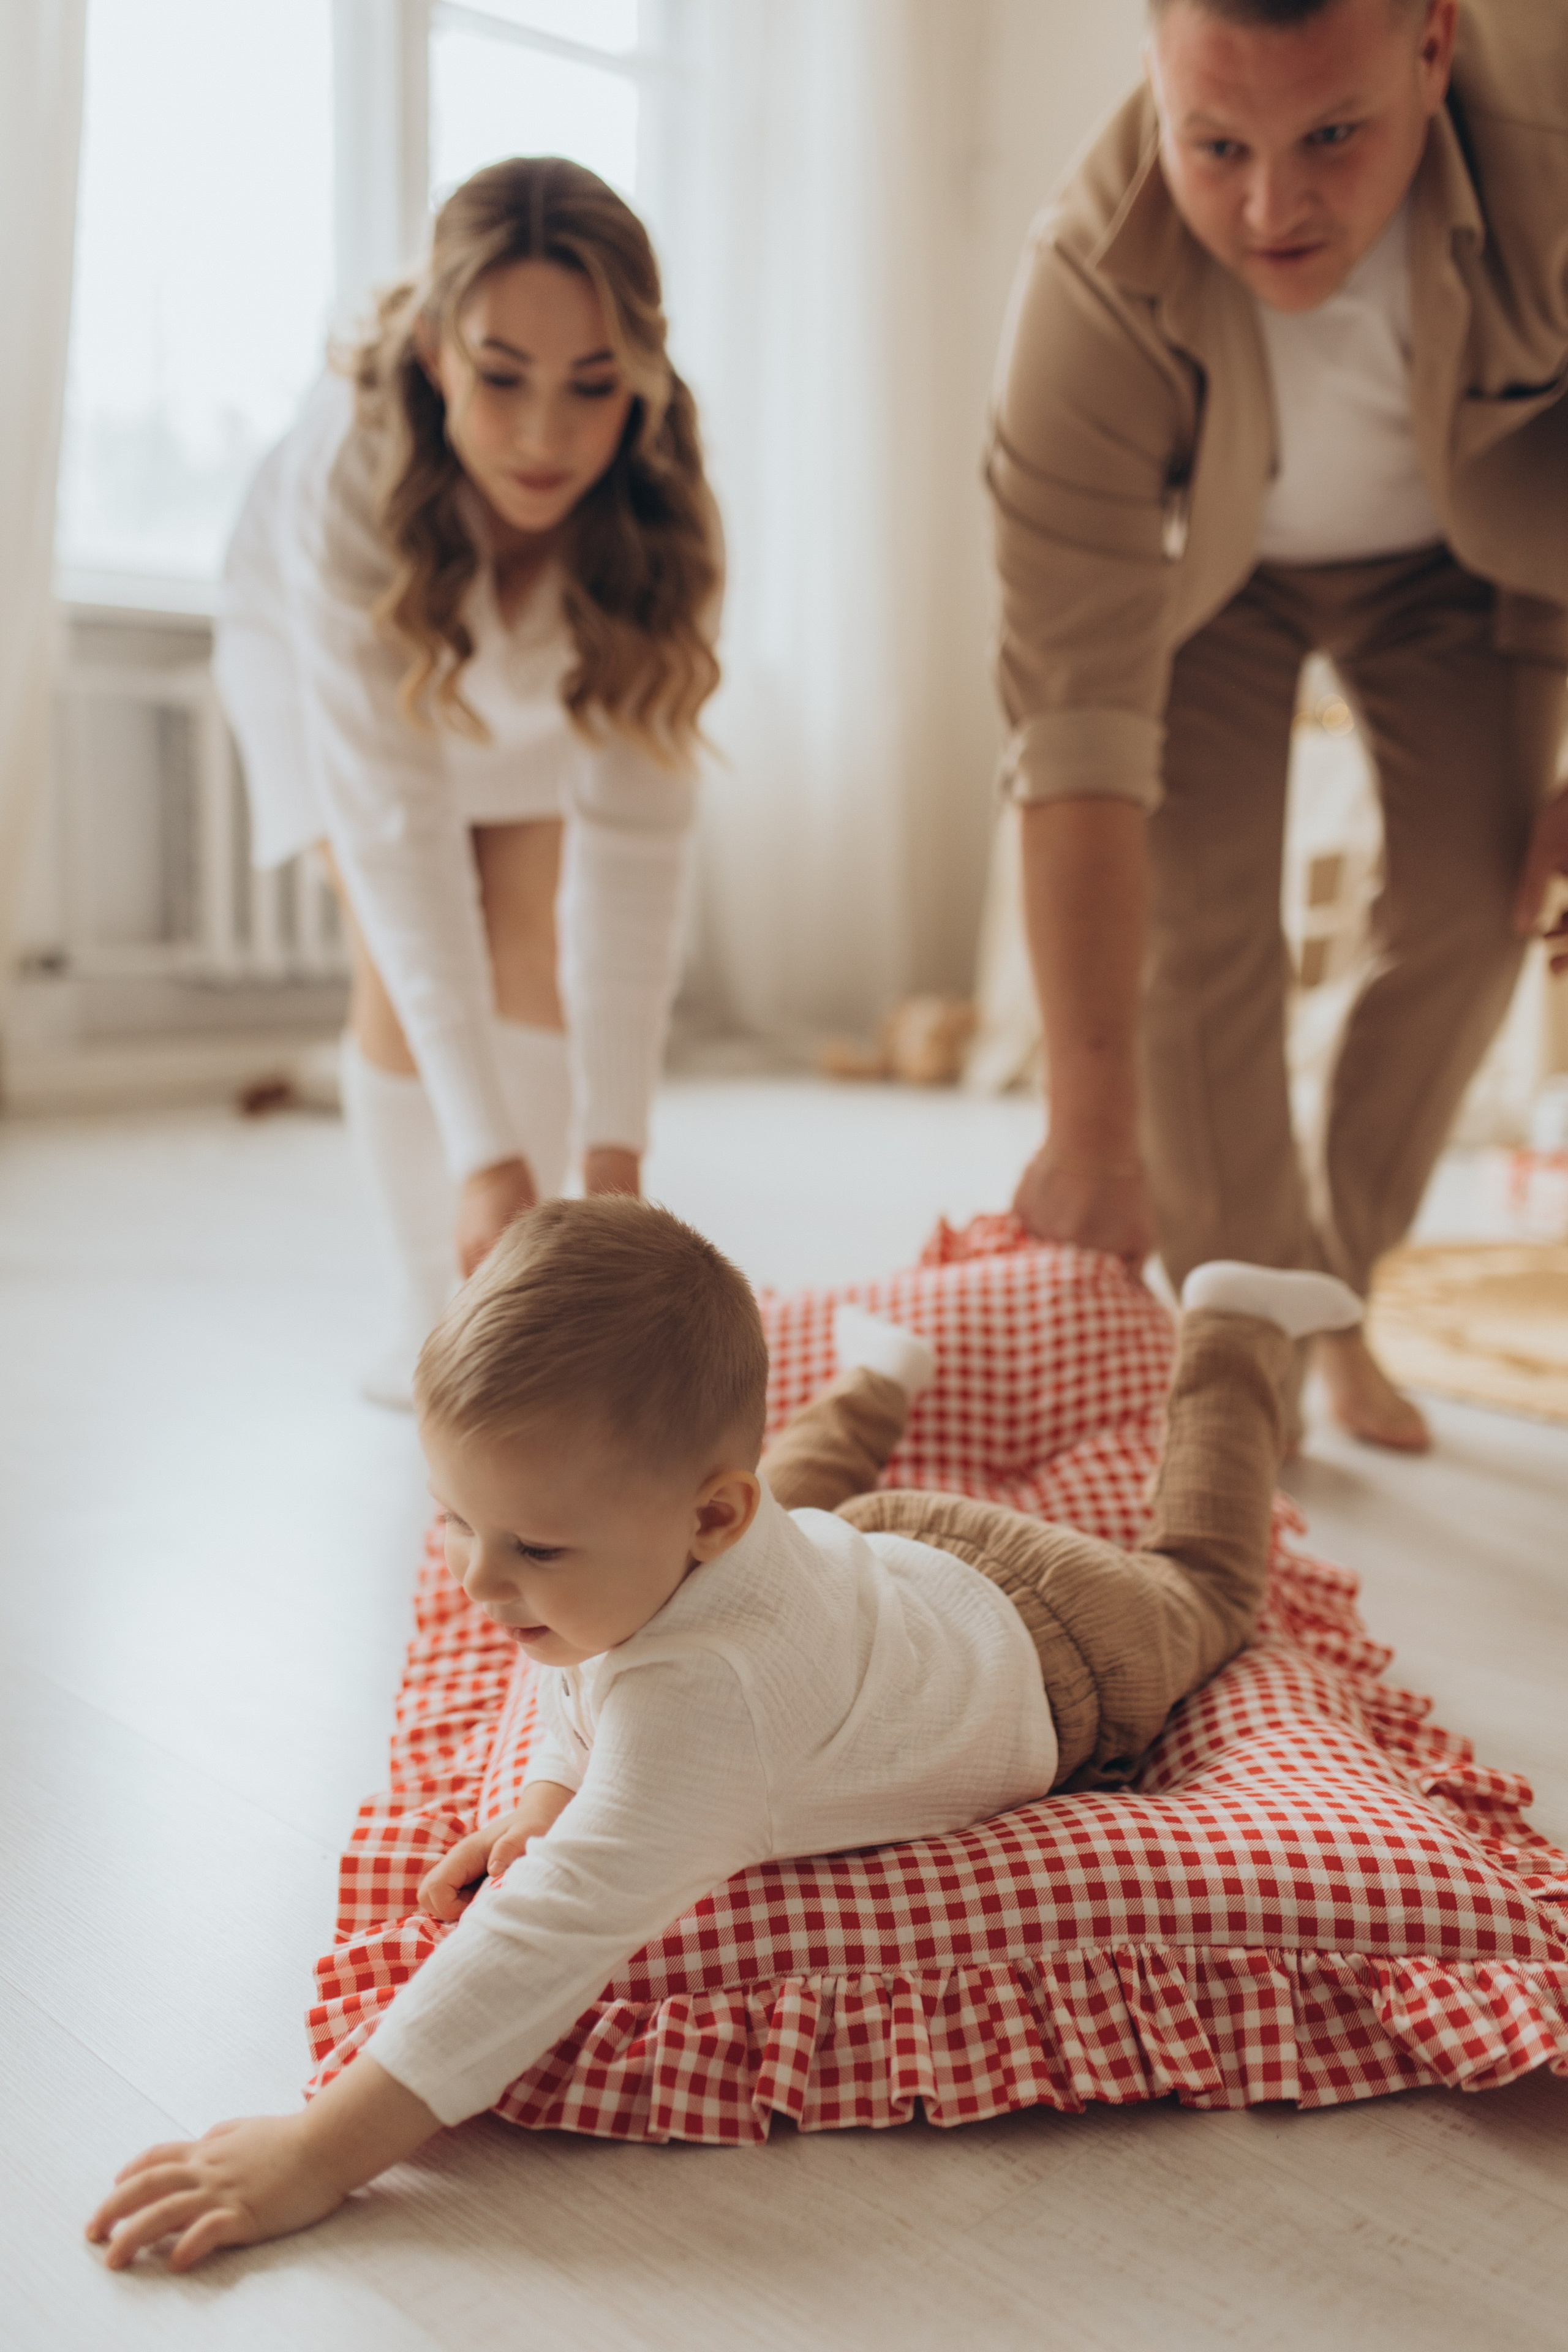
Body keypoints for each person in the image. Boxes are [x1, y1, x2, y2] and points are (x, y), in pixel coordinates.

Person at [86, 1197, 1361, 2271]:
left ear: (710, 1520)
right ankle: (874, 1382)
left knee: (1205, 1585)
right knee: (756, 1517)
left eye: (531, 1548)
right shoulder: (646, 1560)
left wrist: (319, 2154)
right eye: (458, 1521)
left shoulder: (705, 1711)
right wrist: (546, 1799)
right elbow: (577, 1672)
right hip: (869, 1559)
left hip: (1061, 1646)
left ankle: (1228, 1328)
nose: (479, 1583)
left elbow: (539, 1944)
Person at [989, 0, 1568, 1452]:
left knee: (1474, 903)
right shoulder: (1081, 286)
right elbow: (1072, 732)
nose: (1268, 208)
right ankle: (1248, 1341)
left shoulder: (1553, 117)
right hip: (1215, 575)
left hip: (1473, 561)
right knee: (1196, 934)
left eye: (1330, 135)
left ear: (1431, 48)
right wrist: (1087, 1139)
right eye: (1215, 146)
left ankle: (1332, 1292)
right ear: (1152, 74)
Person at [215, 159, 721, 1402]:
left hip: (527, 681)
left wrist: (616, 1159)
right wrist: (485, 1157)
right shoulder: (347, 468)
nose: (546, 436)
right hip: (317, 655)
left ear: (640, 379)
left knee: (529, 937)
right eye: (502, 378)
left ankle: (522, 1295)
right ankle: (430, 1309)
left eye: (592, 385)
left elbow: (636, 851)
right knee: (402, 957)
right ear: (437, 353)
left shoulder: (668, 512)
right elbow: (399, 833)